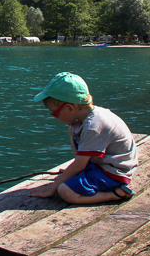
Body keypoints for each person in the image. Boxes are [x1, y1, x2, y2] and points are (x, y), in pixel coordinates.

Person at [29, 71, 138, 204]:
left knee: (65, 191)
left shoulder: (94, 126)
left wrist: (52, 188)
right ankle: (83, 170)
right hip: (102, 164)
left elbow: (79, 165)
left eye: (55, 113)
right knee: (72, 130)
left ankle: (115, 194)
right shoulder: (86, 119)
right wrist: (76, 167)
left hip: (114, 173)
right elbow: (80, 163)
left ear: (69, 108)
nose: (55, 117)